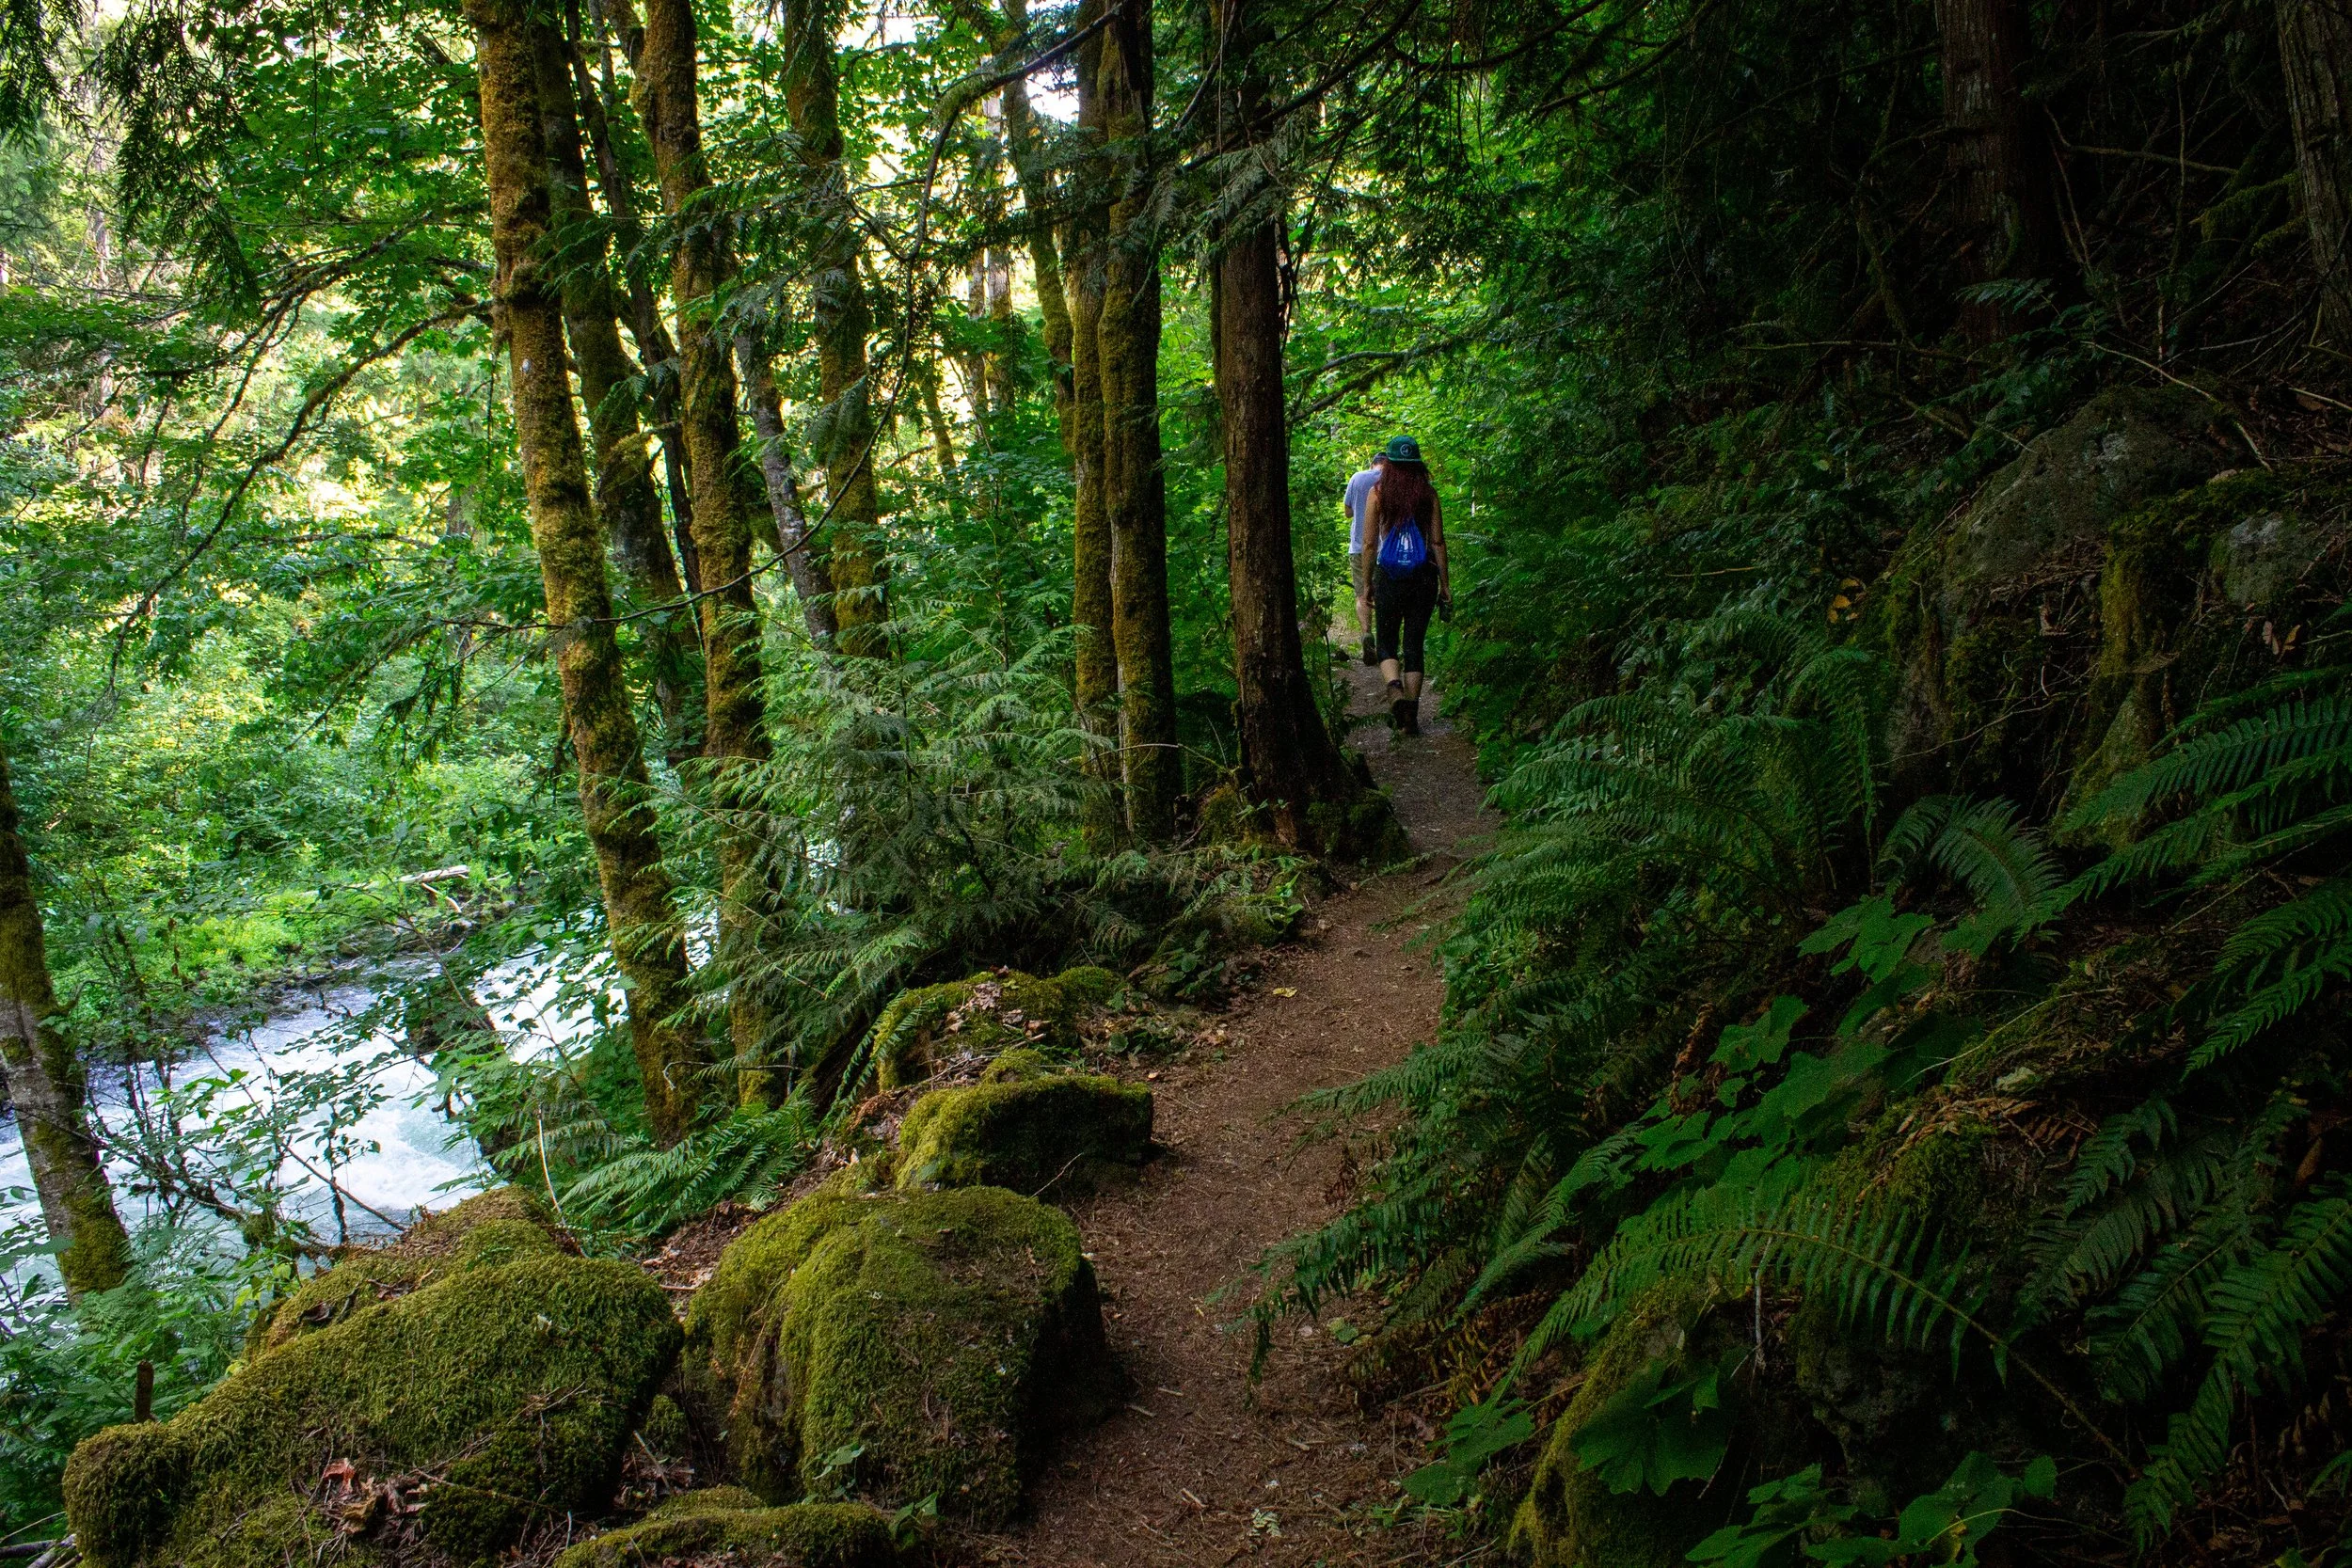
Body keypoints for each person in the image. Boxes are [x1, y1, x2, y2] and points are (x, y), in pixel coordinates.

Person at [1363, 435, 1449, 736]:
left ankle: (1395, 691)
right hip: (1423, 578)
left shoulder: (1378, 493)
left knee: (1387, 642)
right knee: (1414, 646)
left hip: (1388, 577)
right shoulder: (1429, 494)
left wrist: (1367, 584)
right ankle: (1411, 714)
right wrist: (1445, 586)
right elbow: (1437, 542)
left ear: (1388, 464)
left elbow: (1370, 543)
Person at [1343, 451, 1385, 664]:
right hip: (1386, 548)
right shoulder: (1390, 480)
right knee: (1384, 595)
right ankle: (1387, 646)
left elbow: (1348, 512)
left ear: (1372, 464)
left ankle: (1367, 633)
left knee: (1362, 594)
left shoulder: (1357, 478)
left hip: (1359, 547)